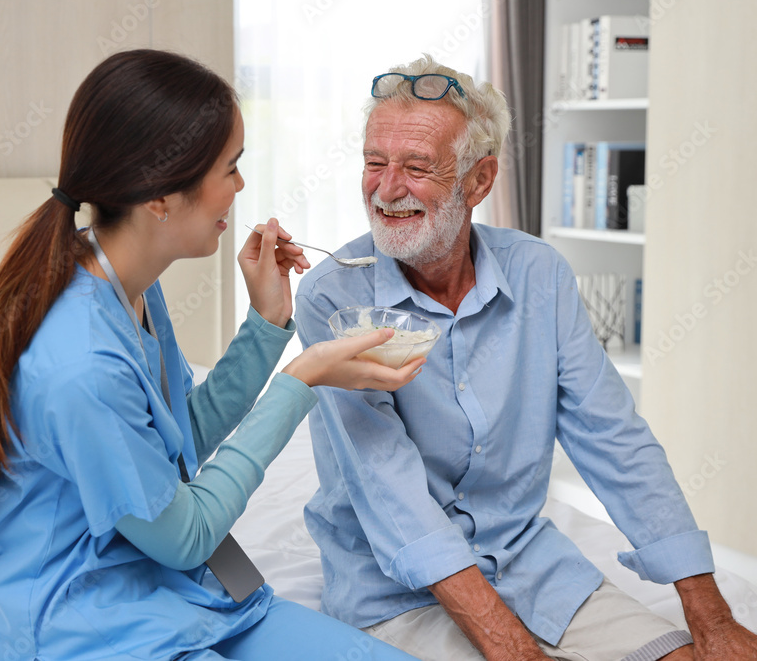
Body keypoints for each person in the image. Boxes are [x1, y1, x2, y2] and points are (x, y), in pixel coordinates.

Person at [0, 49, 424, 661]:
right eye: (230, 168)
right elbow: (185, 535)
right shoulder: (81, 363)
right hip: (81, 627)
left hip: (170, 585)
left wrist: (267, 323)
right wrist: (302, 380)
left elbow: (174, 440)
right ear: (160, 198)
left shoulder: (127, 285)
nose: (240, 187)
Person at [294, 54, 757, 661]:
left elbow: (614, 439)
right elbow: (388, 488)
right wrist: (513, 647)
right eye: (374, 163)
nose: (386, 189)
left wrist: (710, 615)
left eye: (417, 167)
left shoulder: (540, 273)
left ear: (480, 181)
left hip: (531, 564)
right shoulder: (333, 297)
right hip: (394, 590)